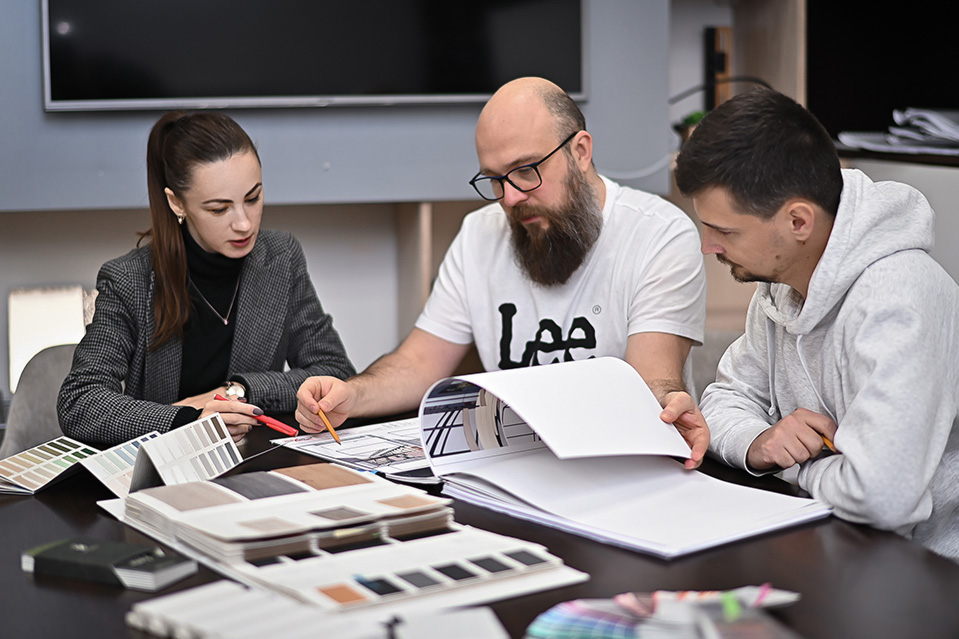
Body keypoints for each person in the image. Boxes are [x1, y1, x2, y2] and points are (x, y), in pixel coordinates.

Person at [296, 77, 710, 468]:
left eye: (526, 170)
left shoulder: (659, 234)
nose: (510, 198)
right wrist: (352, 394)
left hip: (615, 463)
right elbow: (420, 362)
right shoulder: (478, 234)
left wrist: (666, 402)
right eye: (495, 180)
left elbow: (650, 383)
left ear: (581, 152)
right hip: (513, 464)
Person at [674, 87, 959, 559]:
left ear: (798, 222)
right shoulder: (782, 283)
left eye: (724, 231)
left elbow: (881, 496)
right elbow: (724, 398)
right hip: (827, 538)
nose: (709, 246)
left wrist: (798, 468)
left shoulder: (899, 299)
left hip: (924, 569)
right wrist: (760, 442)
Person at [58, 111, 355, 446]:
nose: (244, 223)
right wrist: (190, 420)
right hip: (166, 467)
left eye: (253, 198)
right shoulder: (129, 280)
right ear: (177, 203)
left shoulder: (280, 258)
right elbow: (79, 402)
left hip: (254, 461)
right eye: (219, 209)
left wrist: (237, 391)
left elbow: (335, 372)